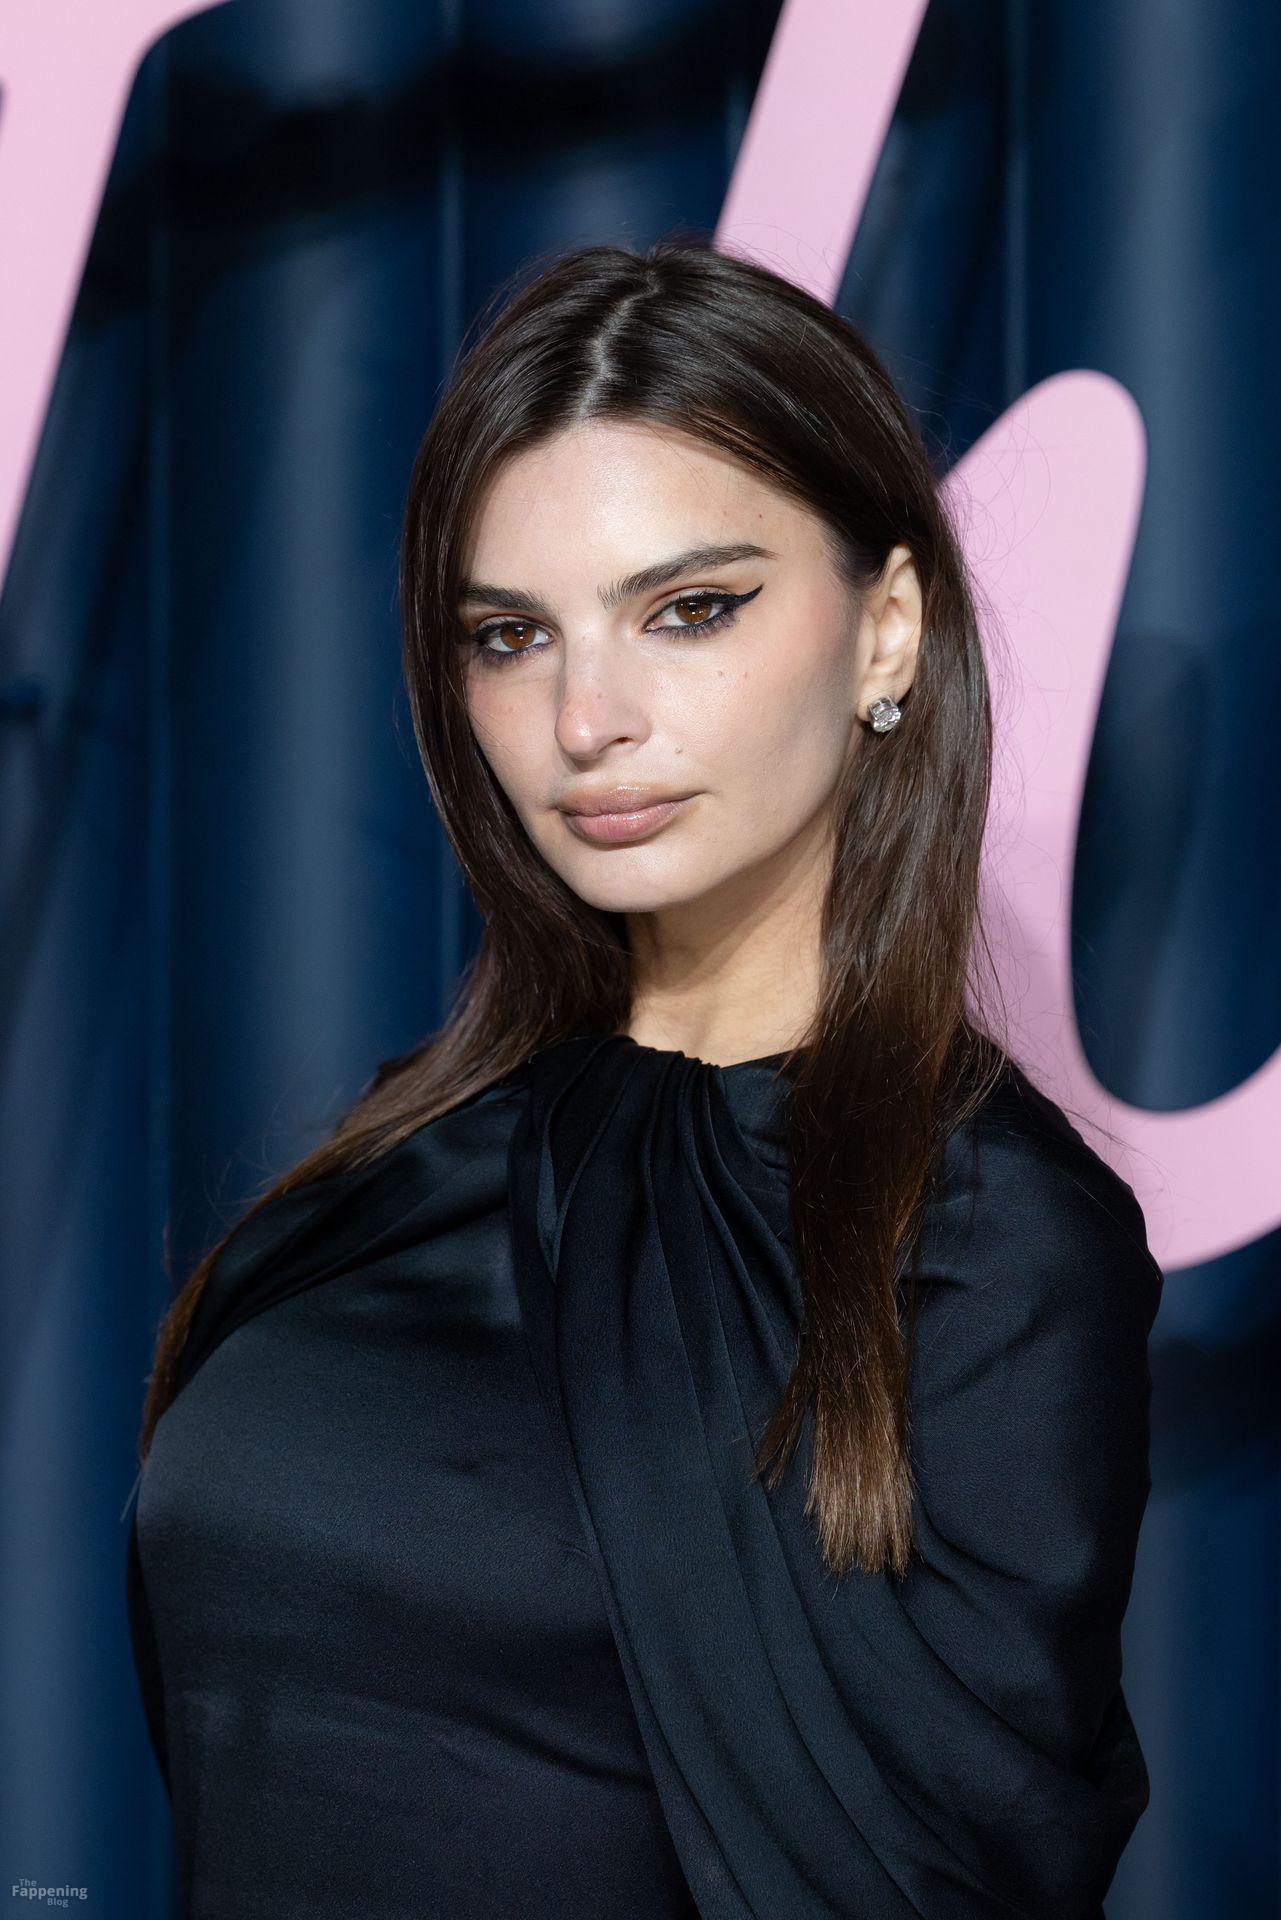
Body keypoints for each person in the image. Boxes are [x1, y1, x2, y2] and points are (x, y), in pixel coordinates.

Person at [125, 237, 1163, 1919]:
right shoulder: (395, 1173)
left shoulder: (985, 1239)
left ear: (887, 630)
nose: (584, 719)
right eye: (508, 636)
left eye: (689, 609)